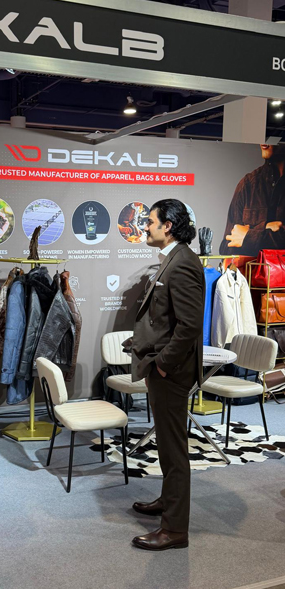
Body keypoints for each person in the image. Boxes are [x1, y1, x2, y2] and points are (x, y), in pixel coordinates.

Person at [129, 199, 204, 551]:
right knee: (166, 443)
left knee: (174, 451)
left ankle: (174, 530)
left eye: (150, 221)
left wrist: (162, 364)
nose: (145, 226)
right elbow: (165, 319)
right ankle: (167, 501)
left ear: (168, 226)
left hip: (171, 372)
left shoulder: (183, 262)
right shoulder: (173, 259)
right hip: (161, 368)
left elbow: (189, 326)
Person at [220, 143, 285, 256]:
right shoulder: (248, 184)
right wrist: (265, 227)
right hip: (251, 268)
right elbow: (227, 247)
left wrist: (249, 236)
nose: (263, 141)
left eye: (270, 135)